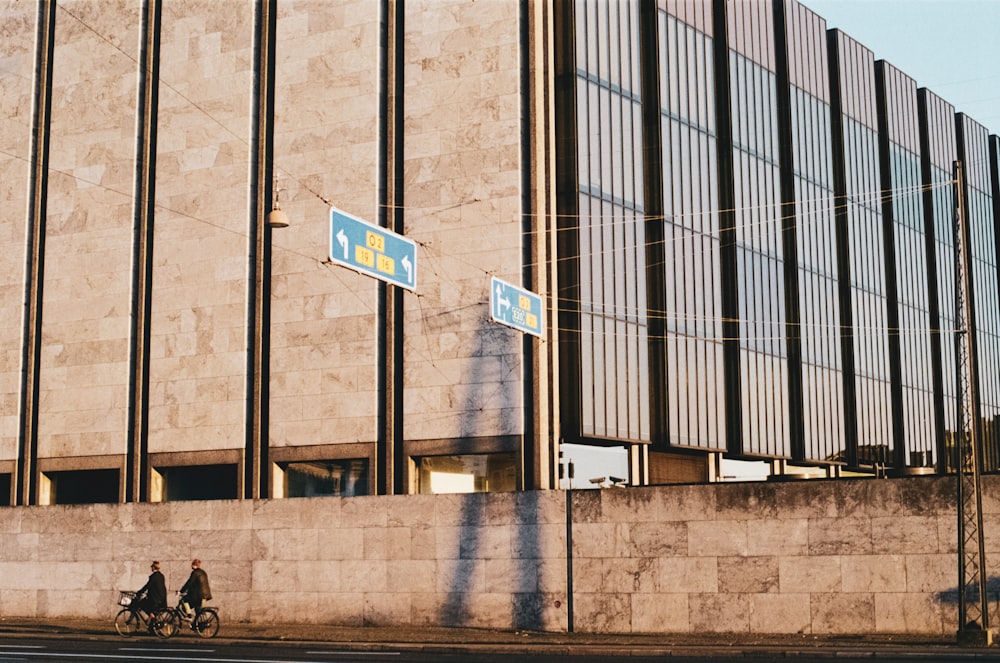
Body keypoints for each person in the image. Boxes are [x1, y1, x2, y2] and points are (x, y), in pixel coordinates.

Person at [134, 561, 167, 627]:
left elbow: (147, 586)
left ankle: (151, 616)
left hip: (155, 599)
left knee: (141, 604)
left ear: (154, 567)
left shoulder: (153, 576)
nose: (151, 568)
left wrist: (139, 592)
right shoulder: (161, 575)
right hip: (162, 599)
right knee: (152, 609)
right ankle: (152, 628)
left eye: (152, 567)